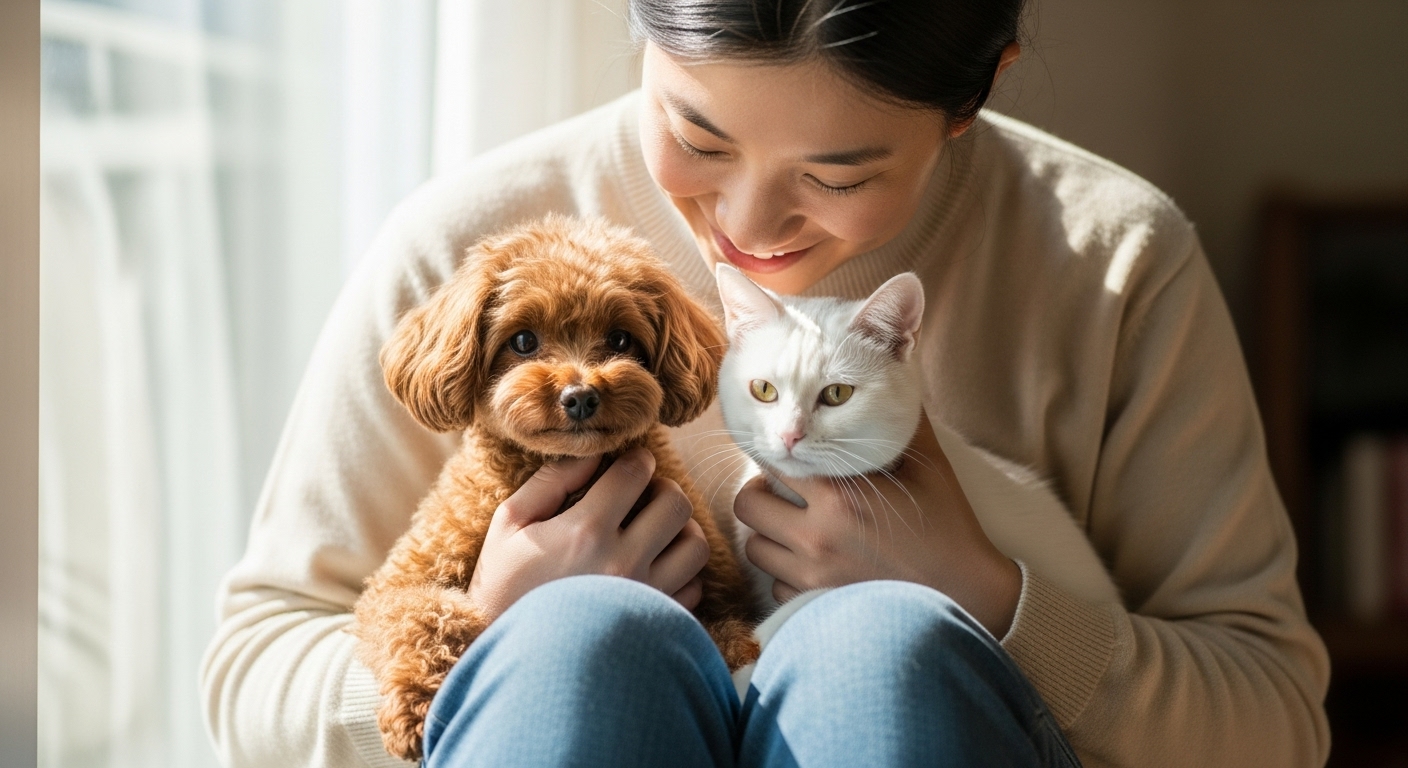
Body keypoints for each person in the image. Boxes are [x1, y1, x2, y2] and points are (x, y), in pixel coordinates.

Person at [200, 1, 1331, 766]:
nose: (746, 226)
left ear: (974, 94)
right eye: (696, 137)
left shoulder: (1115, 264)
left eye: (838, 175)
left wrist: (991, 600)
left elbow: (1274, 716)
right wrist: (486, 641)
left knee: (877, 654)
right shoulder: (470, 249)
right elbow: (251, 670)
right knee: (581, 646)